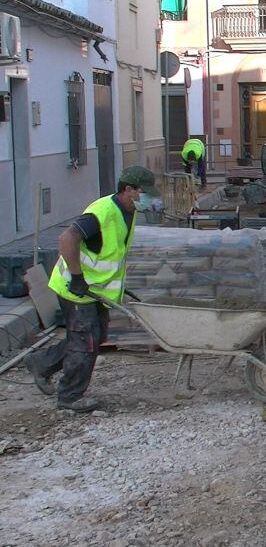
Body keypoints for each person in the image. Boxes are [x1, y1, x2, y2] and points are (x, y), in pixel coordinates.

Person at [22, 166, 158, 413]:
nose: (148, 197)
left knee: (95, 337)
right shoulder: (102, 212)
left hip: (96, 290)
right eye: (143, 192)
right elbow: (67, 239)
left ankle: (41, 363)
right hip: (75, 287)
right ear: (128, 190)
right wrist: (76, 276)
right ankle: (70, 396)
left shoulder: (128, 210)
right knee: (85, 342)